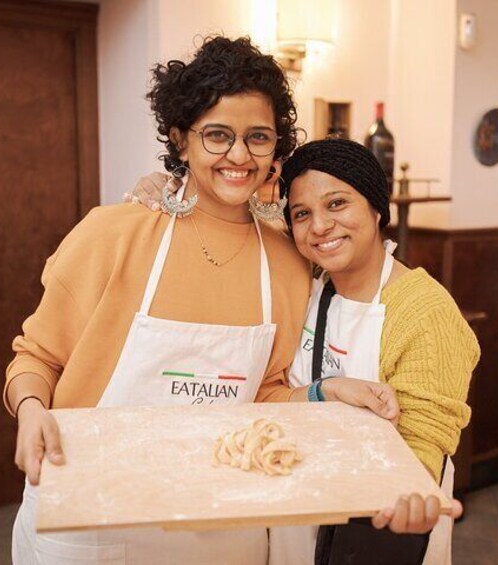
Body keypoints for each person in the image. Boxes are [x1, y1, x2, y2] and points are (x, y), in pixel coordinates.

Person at [5, 36, 400, 565]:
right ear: (180, 139)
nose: (239, 156)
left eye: (257, 137)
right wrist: (30, 409)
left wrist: (327, 392)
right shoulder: (112, 235)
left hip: (222, 529)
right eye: (217, 135)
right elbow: (36, 357)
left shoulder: (286, 260)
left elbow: (263, 395)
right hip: (93, 522)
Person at [132, 138, 478, 564]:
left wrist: (409, 493)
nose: (319, 227)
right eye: (302, 214)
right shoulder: (303, 276)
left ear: (375, 208)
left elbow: (424, 440)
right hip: (295, 512)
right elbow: (223, 221)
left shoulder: (425, 311)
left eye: (337, 204)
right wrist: (163, 187)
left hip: (381, 526)